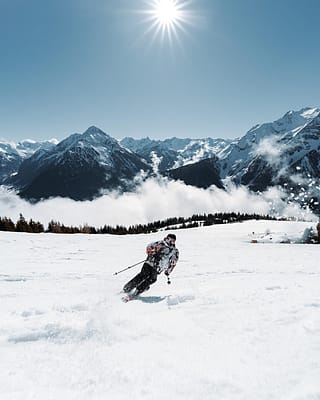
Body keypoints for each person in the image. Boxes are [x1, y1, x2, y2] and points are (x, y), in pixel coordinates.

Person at [123, 233, 179, 298]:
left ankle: (139, 290)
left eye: (173, 240)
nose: (171, 241)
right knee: (143, 275)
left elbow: (173, 263)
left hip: (158, 267)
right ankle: (128, 288)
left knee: (152, 279)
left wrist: (168, 271)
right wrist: (152, 252)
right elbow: (149, 247)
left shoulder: (174, 251)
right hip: (150, 262)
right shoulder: (160, 243)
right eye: (170, 239)